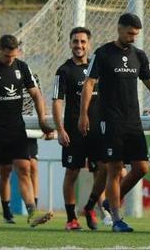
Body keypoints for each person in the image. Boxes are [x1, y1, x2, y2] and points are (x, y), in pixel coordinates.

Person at [78, 13, 150, 232]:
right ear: (119, 28)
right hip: (110, 120)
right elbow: (89, 84)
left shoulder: (139, 55)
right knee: (115, 169)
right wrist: (84, 115)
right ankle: (117, 219)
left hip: (133, 120)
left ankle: (111, 201)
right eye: (130, 33)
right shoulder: (103, 53)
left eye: (136, 34)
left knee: (142, 168)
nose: (133, 38)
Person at [0, 34, 54, 228]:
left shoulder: (22, 67)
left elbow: (36, 94)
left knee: (24, 168)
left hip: (16, 128)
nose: (10, 59)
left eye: (13, 56)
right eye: (7, 56)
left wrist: (42, 118)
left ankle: (32, 213)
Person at [52, 27, 107, 230]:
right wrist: (60, 129)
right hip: (74, 131)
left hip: (97, 131)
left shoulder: (98, 67)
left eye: (83, 42)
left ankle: (94, 210)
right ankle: (70, 218)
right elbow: (57, 101)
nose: (79, 45)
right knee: (72, 172)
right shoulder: (63, 70)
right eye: (76, 41)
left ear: (89, 44)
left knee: (102, 170)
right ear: (70, 43)